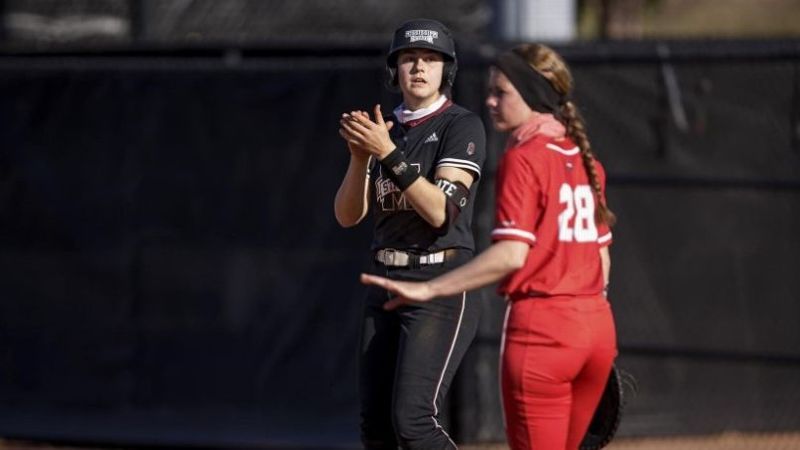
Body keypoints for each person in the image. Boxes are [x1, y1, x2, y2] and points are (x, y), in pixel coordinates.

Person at [361, 43, 618, 450]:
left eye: (502, 91)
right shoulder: (585, 159)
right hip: (597, 328)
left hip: (544, 331)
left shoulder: (525, 156)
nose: (490, 100)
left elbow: (511, 254)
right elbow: (601, 262)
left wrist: (431, 288)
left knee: (412, 422)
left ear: (532, 94)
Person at [334, 18, 487, 450]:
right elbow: (348, 216)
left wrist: (388, 153)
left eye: (431, 59)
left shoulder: (461, 125)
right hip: (384, 281)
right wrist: (360, 158)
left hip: (439, 283)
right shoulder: (384, 128)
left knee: (415, 421)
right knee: (376, 427)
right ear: (395, 70)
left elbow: (441, 211)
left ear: (446, 71)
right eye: (409, 58)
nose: (419, 67)